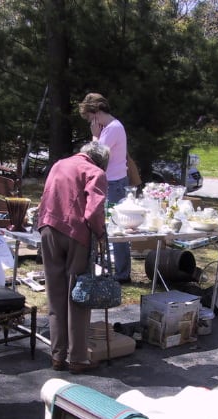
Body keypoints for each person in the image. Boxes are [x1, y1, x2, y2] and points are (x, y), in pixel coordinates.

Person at [37, 141, 109, 374]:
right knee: (77, 296)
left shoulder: (59, 164)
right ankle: (77, 358)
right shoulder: (95, 172)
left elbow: (46, 196)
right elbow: (94, 210)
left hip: (48, 228)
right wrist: (100, 233)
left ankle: (58, 356)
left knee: (55, 294)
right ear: (100, 161)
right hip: (76, 233)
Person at [79, 93, 131, 284]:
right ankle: (109, 267)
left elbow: (96, 155)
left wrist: (94, 135)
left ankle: (123, 273)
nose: (91, 122)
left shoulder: (113, 128)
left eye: (90, 117)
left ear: (96, 113)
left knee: (117, 229)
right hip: (110, 181)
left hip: (114, 183)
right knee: (105, 226)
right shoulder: (108, 129)